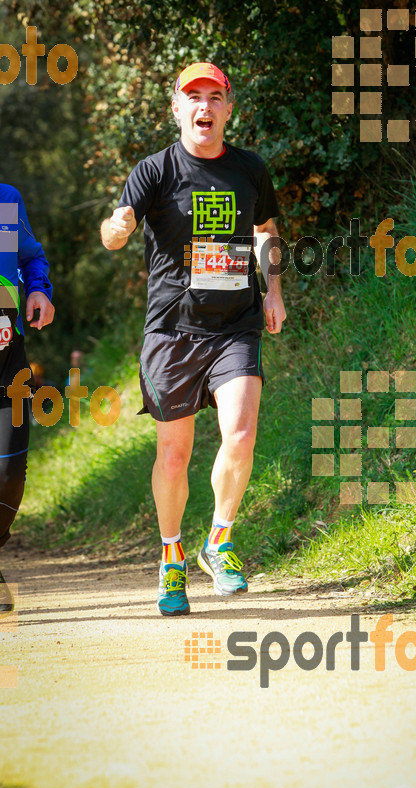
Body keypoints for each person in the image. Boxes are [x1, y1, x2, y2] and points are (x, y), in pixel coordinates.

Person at [101, 62, 286, 616]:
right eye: (193, 98)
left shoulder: (250, 170)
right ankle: (172, 554)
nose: (204, 107)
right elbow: (120, 220)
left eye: (214, 97)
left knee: (242, 432)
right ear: (177, 109)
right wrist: (116, 230)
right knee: (173, 454)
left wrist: (273, 290)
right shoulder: (155, 170)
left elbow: (266, 232)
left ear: (229, 107)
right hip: (171, 331)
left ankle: (220, 540)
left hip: (235, 323)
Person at [0, 184, 55, 615]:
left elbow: (30, 256)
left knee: (8, 478)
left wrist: (38, 289)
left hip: (7, 354)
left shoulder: (6, 199)